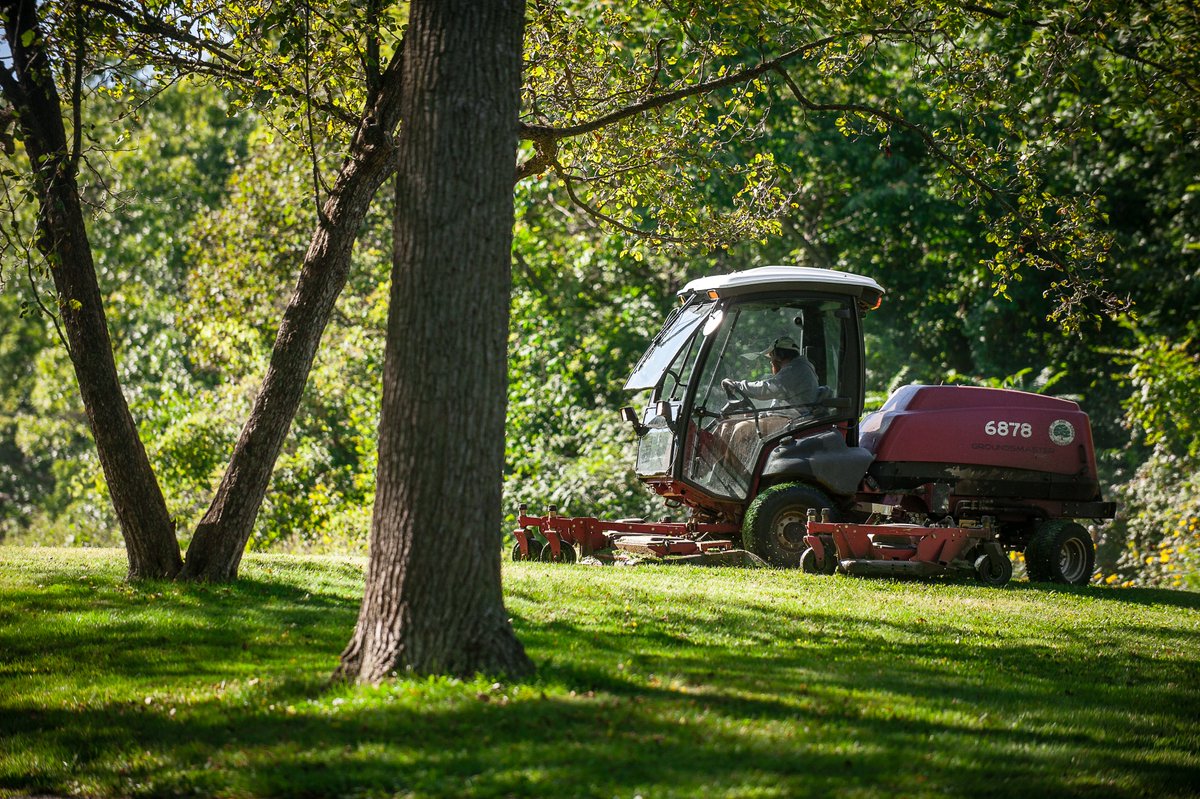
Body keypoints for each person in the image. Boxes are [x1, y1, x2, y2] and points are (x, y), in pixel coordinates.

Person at [721, 336, 819, 409]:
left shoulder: (796, 370)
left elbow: (765, 389)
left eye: (771, 357)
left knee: (738, 428)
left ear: (779, 355)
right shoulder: (801, 368)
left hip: (793, 421)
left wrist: (736, 385)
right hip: (791, 417)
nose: (771, 362)